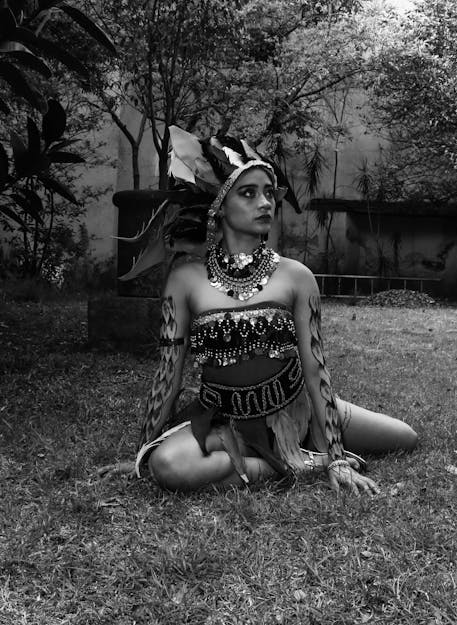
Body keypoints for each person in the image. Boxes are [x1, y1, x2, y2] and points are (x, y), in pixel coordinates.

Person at [105, 126, 417, 496]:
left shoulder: (295, 276)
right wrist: (144, 451)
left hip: (297, 409)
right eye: (249, 194)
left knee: (405, 438)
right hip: (223, 420)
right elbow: (168, 373)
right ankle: (291, 464)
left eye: (269, 193)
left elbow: (316, 368)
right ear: (219, 207)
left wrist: (337, 457)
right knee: (167, 465)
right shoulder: (185, 279)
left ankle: (305, 450)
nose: (265, 203)